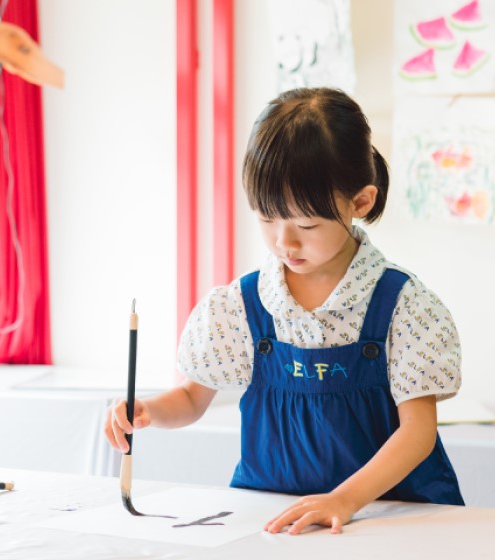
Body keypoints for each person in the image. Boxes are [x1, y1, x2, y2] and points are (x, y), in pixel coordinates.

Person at [104, 87, 464, 535]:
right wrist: (148, 411)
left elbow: (418, 432)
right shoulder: (240, 305)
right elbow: (193, 399)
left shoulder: (404, 306)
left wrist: (345, 499)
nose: (284, 242)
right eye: (267, 218)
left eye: (306, 224)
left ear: (361, 202)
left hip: (389, 519)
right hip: (273, 521)